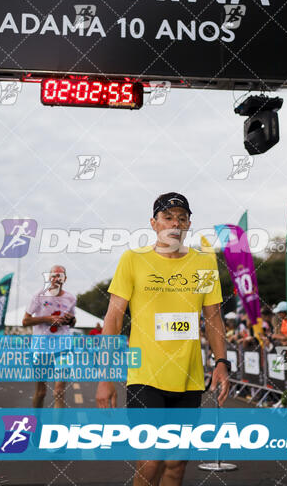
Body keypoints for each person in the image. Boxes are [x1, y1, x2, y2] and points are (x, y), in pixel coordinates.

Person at [96, 192, 230, 486]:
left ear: (189, 224)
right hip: (145, 377)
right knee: (151, 459)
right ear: (154, 224)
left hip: (189, 379)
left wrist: (221, 362)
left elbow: (213, 317)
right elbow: (113, 318)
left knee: (176, 463)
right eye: (168, 217)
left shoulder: (204, 263)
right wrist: (105, 377)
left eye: (182, 218)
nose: (175, 223)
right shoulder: (133, 259)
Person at [22, 265, 76, 408]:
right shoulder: (38, 296)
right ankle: (37, 423)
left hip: (63, 348)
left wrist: (70, 319)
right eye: (53, 276)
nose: (56, 278)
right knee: (41, 392)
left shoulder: (70, 298)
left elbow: (73, 321)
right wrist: (47, 319)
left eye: (60, 276)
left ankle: (56, 430)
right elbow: (25, 321)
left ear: (65, 279)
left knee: (58, 391)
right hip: (41, 348)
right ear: (49, 278)